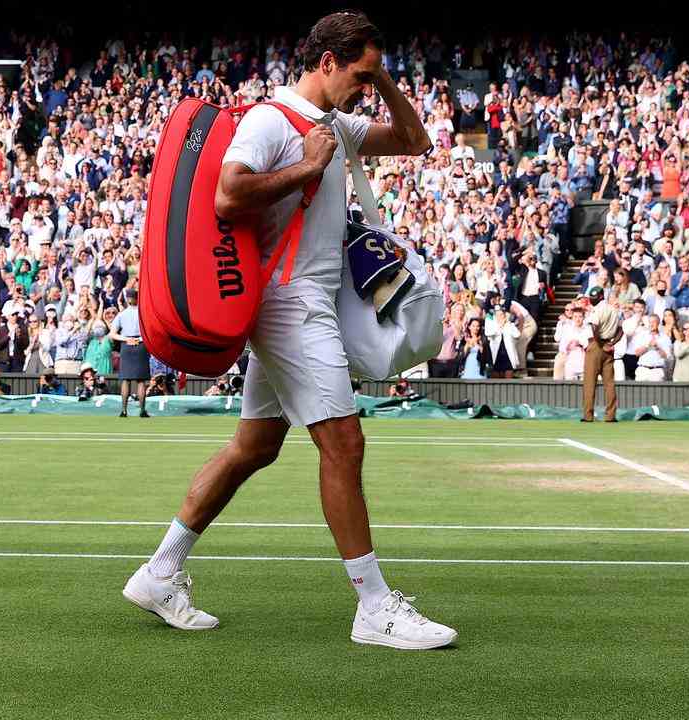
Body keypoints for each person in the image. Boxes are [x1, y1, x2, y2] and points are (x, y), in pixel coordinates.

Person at [123, 12, 457, 650]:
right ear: (326, 62)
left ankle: (160, 571)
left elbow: (412, 140)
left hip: (310, 302)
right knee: (344, 444)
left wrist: (383, 81)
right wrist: (306, 169)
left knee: (255, 447)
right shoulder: (270, 120)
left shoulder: (336, 122)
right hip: (290, 305)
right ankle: (374, 606)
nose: (364, 86)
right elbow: (228, 195)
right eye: (358, 72)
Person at [581, 286, 622, 422]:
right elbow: (621, 331)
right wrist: (612, 343)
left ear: (600, 297)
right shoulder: (614, 310)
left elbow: (594, 328)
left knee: (589, 383)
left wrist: (602, 344)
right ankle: (611, 415)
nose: (591, 300)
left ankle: (588, 415)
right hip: (608, 349)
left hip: (596, 346)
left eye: (593, 297)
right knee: (609, 384)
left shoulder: (598, 310)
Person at [109, 288, 150, 418]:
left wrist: (127, 339)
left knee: (126, 380)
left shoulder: (122, 314)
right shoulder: (144, 313)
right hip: (140, 344)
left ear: (127, 299)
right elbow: (150, 331)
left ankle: (124, 410)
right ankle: (142, 410)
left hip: (127, 345)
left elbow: (112, 334)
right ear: (137, 298)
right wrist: (138, 339)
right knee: (141, 381)